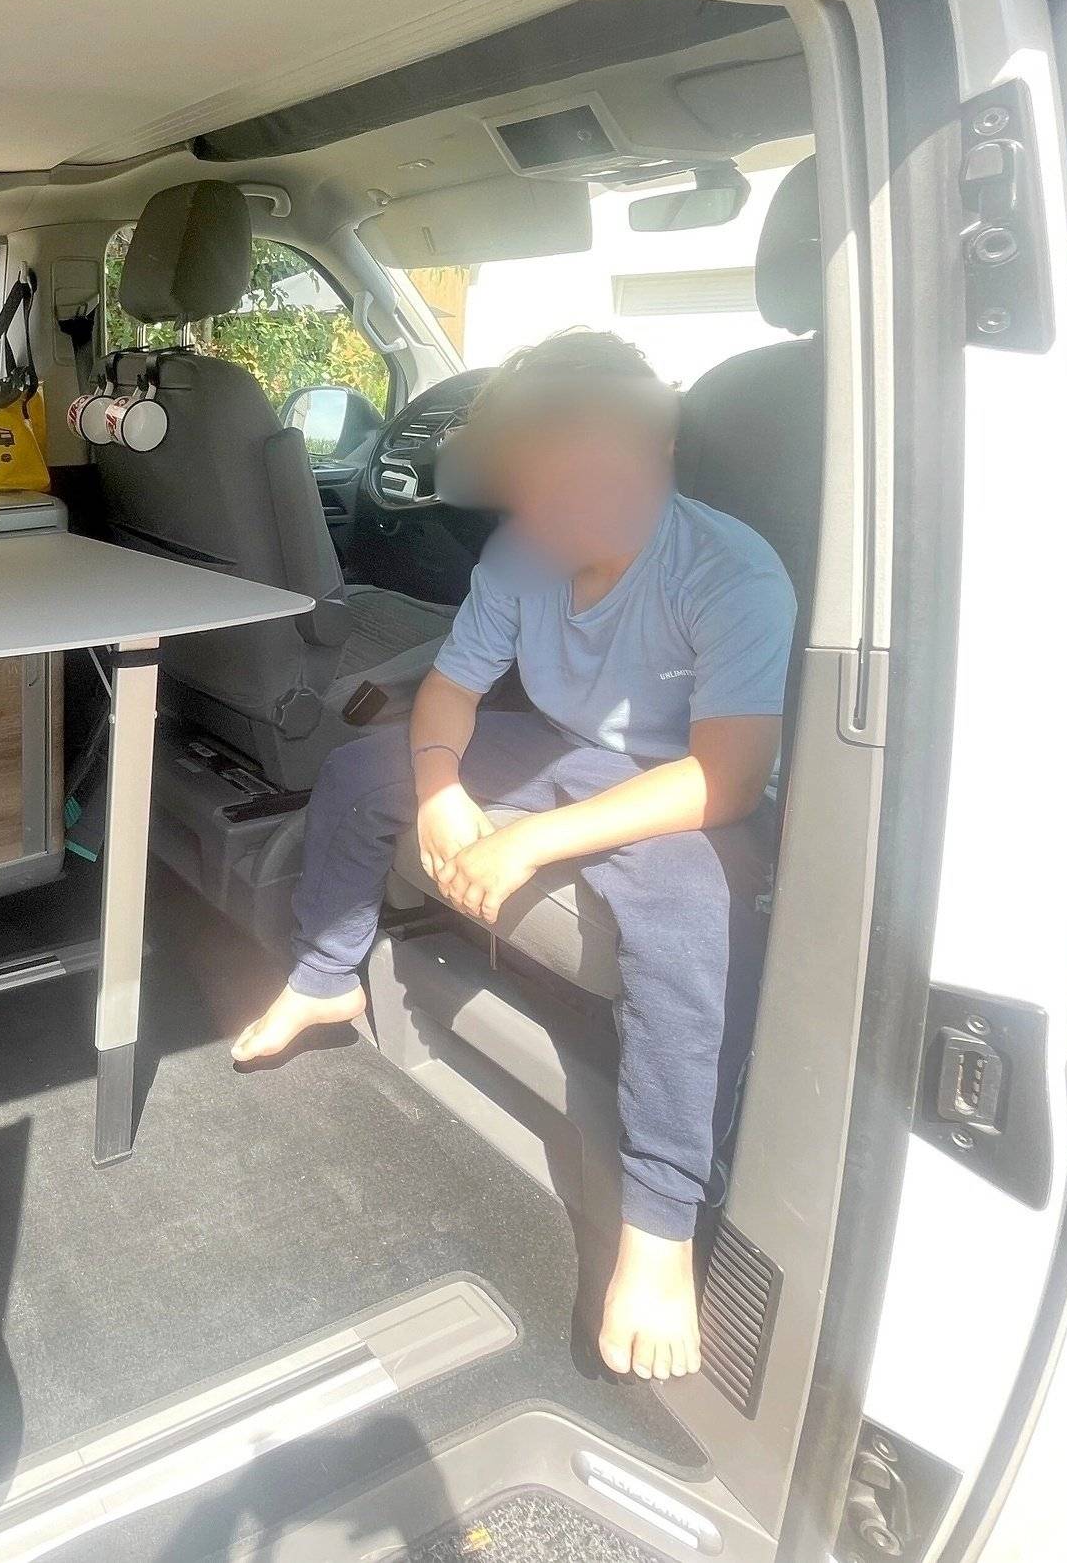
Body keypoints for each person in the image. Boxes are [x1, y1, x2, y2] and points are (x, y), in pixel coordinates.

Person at [234, 328, 795, 1384]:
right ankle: (323, 976)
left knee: (689, 915)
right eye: (540, 483)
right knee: (360, 773)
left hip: (678, 781)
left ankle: (662, 1222)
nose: (566, 506)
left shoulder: (730, 572)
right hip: (555, 744)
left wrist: (526, 840)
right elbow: (451, 687)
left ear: (660, 453)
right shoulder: (520, 555)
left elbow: (725, 778)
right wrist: (440, 787)